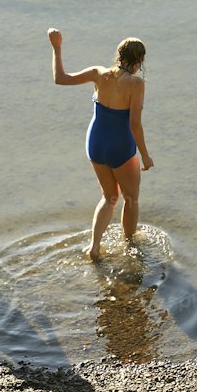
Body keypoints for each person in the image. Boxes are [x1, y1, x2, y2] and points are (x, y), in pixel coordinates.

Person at [48, 27, 154, 260]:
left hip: (95, 142)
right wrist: (145, 155)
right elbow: (135, 124)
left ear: (118, 55)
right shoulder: (136, 84)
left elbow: (60, 79)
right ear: (138, 60)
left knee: (109, 197)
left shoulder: (98, 73)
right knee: (131, 198)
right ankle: (130, 247)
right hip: (119, 145)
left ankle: (94, 247)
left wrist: (56, 47)